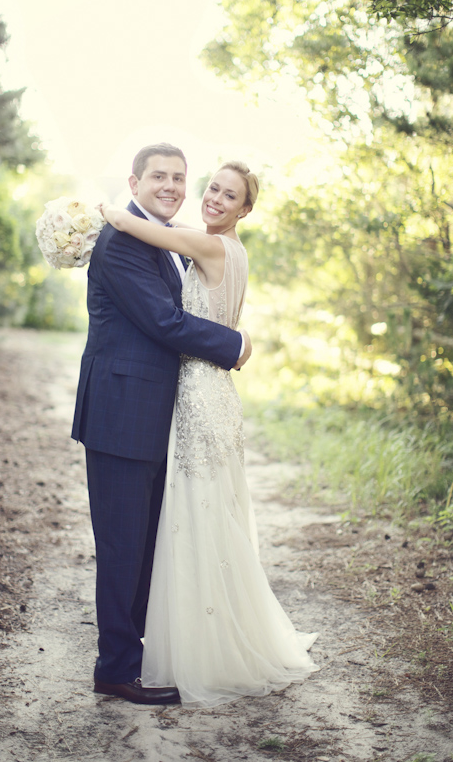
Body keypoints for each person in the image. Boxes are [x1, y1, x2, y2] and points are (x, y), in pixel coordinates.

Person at [102, 161, 317, 708]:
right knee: (199, 517)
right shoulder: (222, 251)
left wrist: (105, 215)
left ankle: (202, 647)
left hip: (198, 390)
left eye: (230, 195)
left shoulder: (204, 245)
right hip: (205, 392)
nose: (215, 199)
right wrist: (236, 344)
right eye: (213, 189)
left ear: (247, 209)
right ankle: (190, 641)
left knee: (194, 515)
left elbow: (149, 234)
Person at [71, 143, 252, 705]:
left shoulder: (167, 241)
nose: (172, 186)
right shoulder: (124, 240)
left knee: (146, 545)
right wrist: (235, 345)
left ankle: (134, 652)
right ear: (135, 180)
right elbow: (164, 321)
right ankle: (116, 670)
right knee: (124, 547)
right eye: (159, 177)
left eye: (179, 177)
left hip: (155, 417)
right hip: (121, 415)